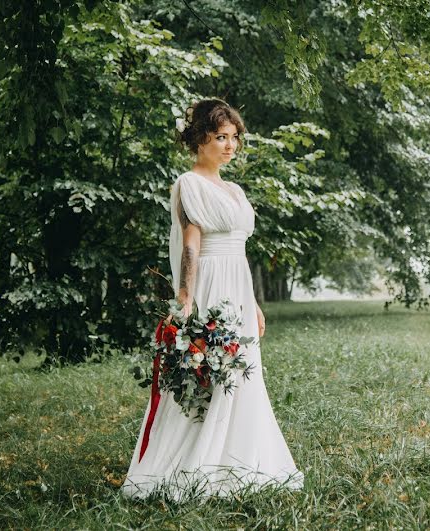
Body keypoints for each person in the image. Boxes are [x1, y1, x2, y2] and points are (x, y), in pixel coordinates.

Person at [121, 98, 304, 501]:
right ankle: (194, 462)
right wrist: (186, 296)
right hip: (210, 287)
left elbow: (239, 252)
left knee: (242, 371)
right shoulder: (189, 184)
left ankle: (240, 458)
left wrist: (253, 301)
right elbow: (191, 245)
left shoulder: (235, 190)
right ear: (200, 138)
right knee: (212, 372)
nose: (229, 145)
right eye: (221, 137)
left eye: (234, 137)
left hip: (237, 286)